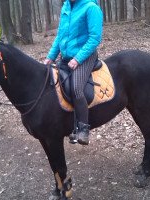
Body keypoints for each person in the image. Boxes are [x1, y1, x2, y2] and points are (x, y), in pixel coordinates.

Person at [44, 0, 103, 145]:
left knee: (76, 88)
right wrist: (50, 57)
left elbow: (94, 38)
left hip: (86, 56)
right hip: (66, 56)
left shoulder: (91, 8)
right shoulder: (66, 7)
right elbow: (60, 36)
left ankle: (83, 128)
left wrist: (77, 59)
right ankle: (68, 124)